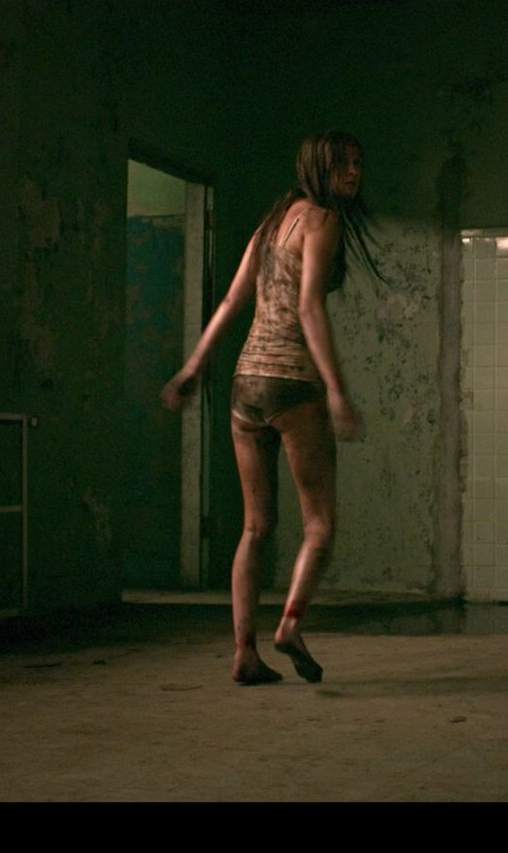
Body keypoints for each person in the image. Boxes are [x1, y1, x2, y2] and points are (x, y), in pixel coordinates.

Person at [160, 130, 381, 685]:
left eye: (358, 163)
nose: (354, 173)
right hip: (292, 385)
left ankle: (244, 653)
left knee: (255, 528)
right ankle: (290, 624)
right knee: (320, 524)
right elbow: (308, 307)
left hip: (246, 386)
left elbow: (233, 300)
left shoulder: (271, 223)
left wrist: (194, 365)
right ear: (318, 167)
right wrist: (336, 389)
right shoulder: (321, 220)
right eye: (343, 164)